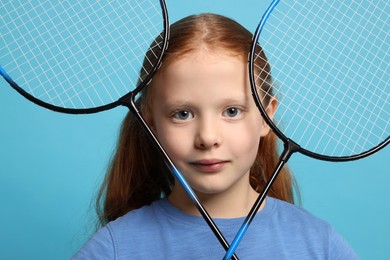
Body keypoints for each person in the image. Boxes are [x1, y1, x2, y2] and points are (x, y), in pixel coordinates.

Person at [73, 14, 358, 259]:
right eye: (182, 114)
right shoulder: (114, 249)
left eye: (232, 111)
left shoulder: (320, 245)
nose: (208, 138)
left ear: (266, 117)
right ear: (150, 122)